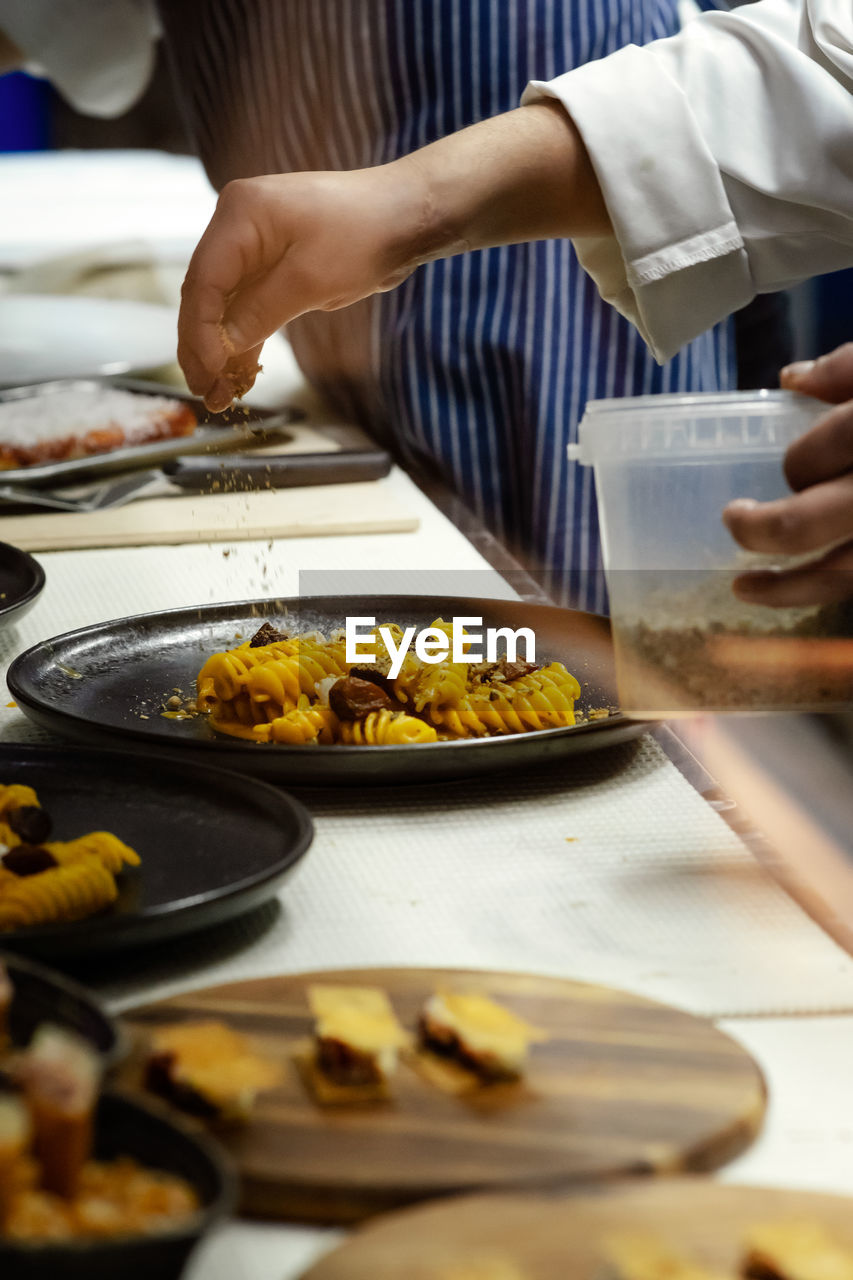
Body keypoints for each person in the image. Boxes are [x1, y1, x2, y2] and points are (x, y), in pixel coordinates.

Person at [0, 0, 745, 611]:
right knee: (393, 635)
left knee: (585, 636)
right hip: (335, 264)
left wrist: (413, 207)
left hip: (548, 183)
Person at [171, 0, 853, 608]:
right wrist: (410, 207)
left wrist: (420, 204)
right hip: (353, 315)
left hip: (564, 241)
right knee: (397, 622)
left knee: (584, 656)